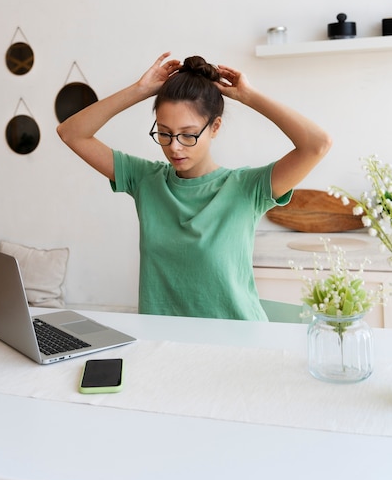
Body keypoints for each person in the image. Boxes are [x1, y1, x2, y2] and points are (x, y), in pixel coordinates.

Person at [57, 52, 332, 321]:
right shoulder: (145, 180)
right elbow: (71, 132)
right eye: (164, 133)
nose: (174, 147)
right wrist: (140, 90)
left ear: (215, 127)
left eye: (188, 135)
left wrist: (247, 96)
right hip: (164, 348)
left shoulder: (247, 188)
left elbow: (317, 144)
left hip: (239, 346)